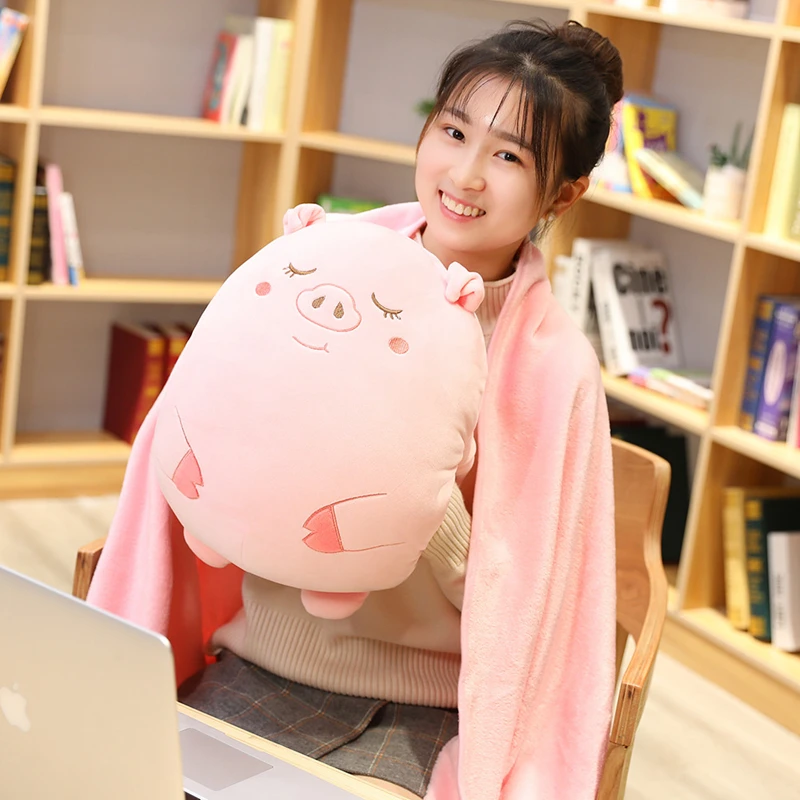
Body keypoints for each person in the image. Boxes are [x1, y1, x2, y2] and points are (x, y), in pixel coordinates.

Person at [182, 17, 620, 799]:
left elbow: (528, 608)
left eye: (509, 156)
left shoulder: (557, 372)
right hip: (260, 657)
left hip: (417, 707)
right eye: (453, 131)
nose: (467, 174)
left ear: (564, 192)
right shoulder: (324, 269)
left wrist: (417, 489)